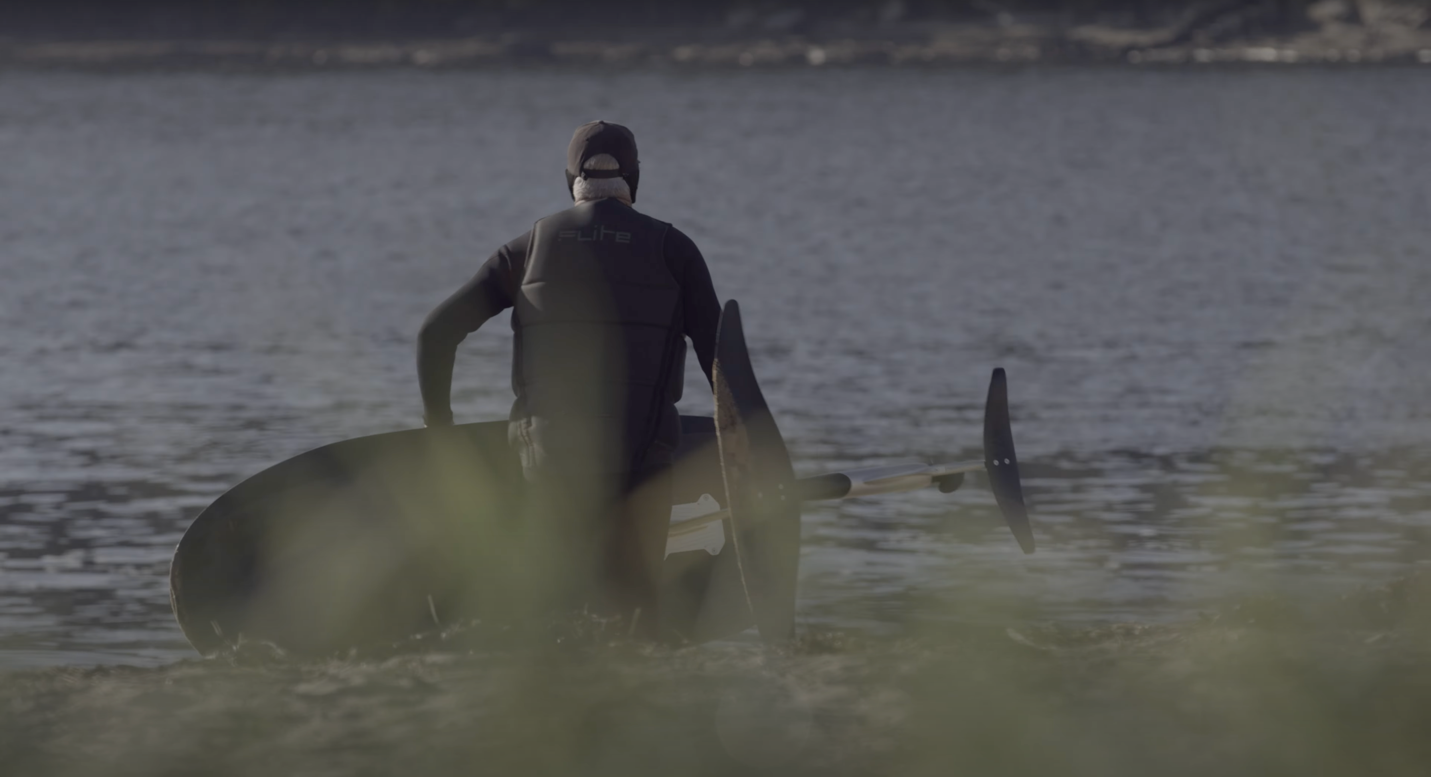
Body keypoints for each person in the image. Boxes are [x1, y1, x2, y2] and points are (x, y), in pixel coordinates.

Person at [416, 120, 722, 638]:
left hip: (548, 464)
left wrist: (440, 432)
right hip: (642, 465)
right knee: (638, 616)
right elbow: (721, 359)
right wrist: (742, 444)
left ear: (569, 180)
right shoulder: (676, 251)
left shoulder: (527, 249)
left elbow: (434, 335)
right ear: (636, 179)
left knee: (551, 607)